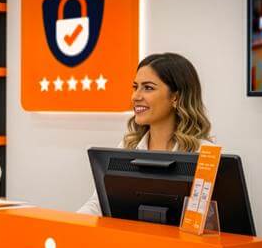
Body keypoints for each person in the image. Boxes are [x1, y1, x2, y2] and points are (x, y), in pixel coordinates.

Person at [77, 53, 213, 215]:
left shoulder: (205, 154)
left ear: (176, 97)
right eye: (135, 87)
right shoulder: (127, 147)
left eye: (148, 88)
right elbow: (99, 204)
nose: (136, 96)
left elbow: (209, 218)